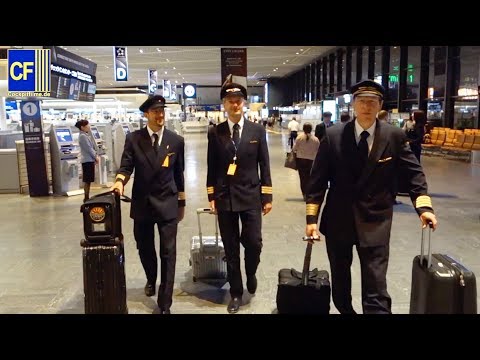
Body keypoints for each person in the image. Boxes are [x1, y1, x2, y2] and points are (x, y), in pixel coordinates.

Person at [305, 80, 438, 314]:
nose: (367, 106)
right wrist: (311, 221)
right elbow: (317, 180)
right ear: (353, 105)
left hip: (376, 221)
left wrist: (424, 207)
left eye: (372, 102)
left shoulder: (393, 136)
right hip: (338, 221)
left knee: (376, 285)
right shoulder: (334, 135)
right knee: (340, 282)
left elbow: (414, 174)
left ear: (380, 106)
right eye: (362, 101)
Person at [111, 95, 186, 315]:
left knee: (168, 252)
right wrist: (119, 182)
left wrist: (181, 202)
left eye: (162, 111)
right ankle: (151, 278)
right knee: (144, 248)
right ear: (147, 114)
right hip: (142, 203)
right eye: (155, 111)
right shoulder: (134, 139)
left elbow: (179, 175)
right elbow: (126, 166)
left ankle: (165, 302)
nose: (160, 115)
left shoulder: (176, 141)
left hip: (168, 203)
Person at [206, 82, 272, 314]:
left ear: (243, 103)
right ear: (224, 105)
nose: (234, 104)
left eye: (238, 100)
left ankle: (251, 270)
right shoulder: (216, 132)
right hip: (225, 197)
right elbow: (211, 166)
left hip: (251, 195)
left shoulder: (257, 130)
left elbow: (264, 164)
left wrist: (267, 195)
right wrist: (211, 194)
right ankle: (235, 292)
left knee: (253, 242)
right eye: (230, 101)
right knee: (231, 247)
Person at [292, 122, 320, 201]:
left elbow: (294, 149)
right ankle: (309, 194)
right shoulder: (315, 139)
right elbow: (318, 150)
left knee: (303, 178)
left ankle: (304, 194)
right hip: (311, 161)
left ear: (303, 129)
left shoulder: (299, 138)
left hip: (301, 160)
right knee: (310, 178)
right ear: (311, 129)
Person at [75, 120, 99, 202]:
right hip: (87, 160)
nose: (89, 127)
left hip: (89, 160)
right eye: (87, 125)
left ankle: (87, 197)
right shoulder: (83, 136)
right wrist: (95, 157)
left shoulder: (84, 135)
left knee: (88, 180)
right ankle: (86, 197)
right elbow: (89, 148)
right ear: (82, 127)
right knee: (87, 180)